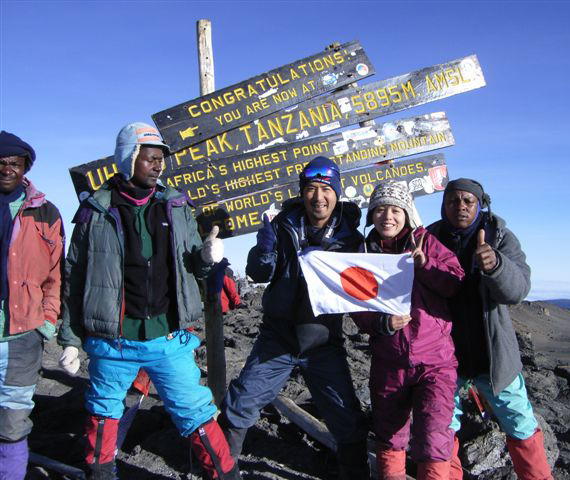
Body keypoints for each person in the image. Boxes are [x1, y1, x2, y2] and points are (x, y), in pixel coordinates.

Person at [57, 122, 240, 480]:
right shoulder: (94, 212)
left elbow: (195, 269)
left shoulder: (176, 206)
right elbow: (75, 277)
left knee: (195, 410)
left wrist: (206, 258)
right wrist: (70, 340)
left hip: (168, 338)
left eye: (161, 159)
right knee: (103, 411)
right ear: (127, 159)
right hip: (113, 341)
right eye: (149, 158)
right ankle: (101, 474)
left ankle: (226, 475)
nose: (158, 165)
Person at [219, 156, 370, 479]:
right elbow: (258, 272)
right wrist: (264, 248)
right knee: (239, 405)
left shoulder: (351, 239)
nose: (319, 197)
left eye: (326, 189)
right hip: (278, 338)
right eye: (311, 189)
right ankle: (222, 471)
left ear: (337, 192)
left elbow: (363, 289)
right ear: (302, 192)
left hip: (324, 342)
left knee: (346, 418)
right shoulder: (281, 224)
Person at [427, 178, 553, 480]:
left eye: (468, 201)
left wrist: (496, 264)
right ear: (443, 205)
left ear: (480, 205)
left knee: (520, 422)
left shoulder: (500, 238)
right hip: (445, 357)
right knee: (442, 428)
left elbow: (518, 291)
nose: (460, 206)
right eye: (452, 201)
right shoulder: (430, 238)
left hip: (493, 355)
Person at [351, 181, 464, 480]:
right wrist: (380, 323)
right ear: (371, 215)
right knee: (390, 435)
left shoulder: (425, 242)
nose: (387, 216)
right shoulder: (364, 253)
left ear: (406, 213)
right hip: (389, 362)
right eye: (380, 209)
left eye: (395, 210)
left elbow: (455, 282)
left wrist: (425, 265)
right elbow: (354, 302)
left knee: (434, 437)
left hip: (435, 362)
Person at [0, 131, 65, 480]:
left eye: (14, 163)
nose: (7, 169)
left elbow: (56, 274)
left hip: (23, 334)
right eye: (1, 162)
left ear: (25, 167)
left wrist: (48, 320)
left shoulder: (45, 212)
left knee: (13, 420)